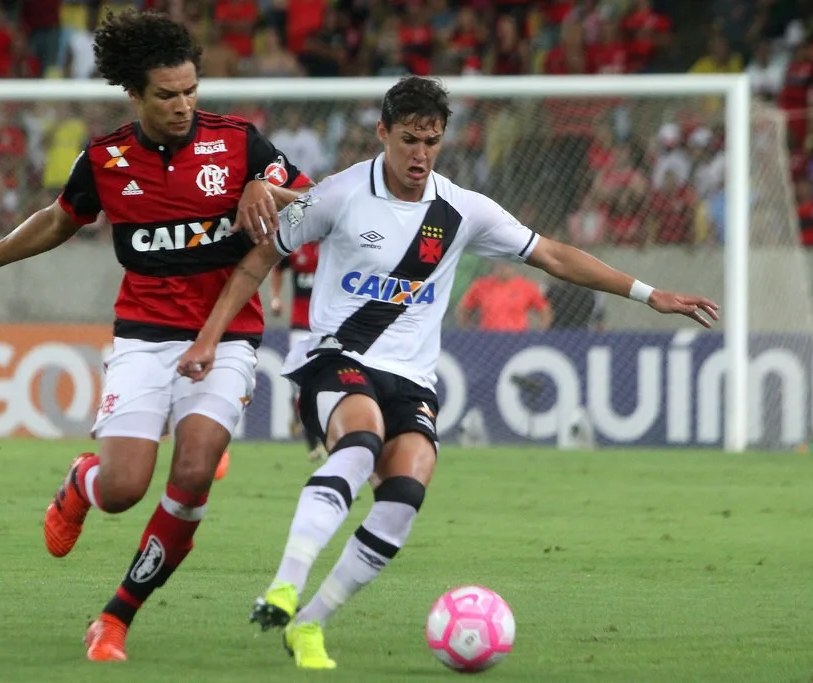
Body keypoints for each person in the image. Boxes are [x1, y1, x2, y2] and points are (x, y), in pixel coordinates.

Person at [176, 76, 718, 670]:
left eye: (432, 141)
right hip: (338, 360)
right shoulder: (339, 194)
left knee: (405, 494)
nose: (420, 154)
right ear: (383, 133)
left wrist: (648, 293)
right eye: (408, 139)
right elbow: (258, 260)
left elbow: (555, 255)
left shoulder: (461, 209)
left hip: (410, 379)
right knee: (360, 444)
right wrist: (208, 338)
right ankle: (284, 586)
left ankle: (310, 624)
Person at [0, 9, 311, 662]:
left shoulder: (240, 144)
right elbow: (54, 221)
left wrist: (268, 187)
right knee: (124, 488)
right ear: (135, 93)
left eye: (190, 90)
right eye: (166, 94)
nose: (182, 105)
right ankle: (81, 484)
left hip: (228, 339)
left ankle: (115, 617)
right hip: (144, 338)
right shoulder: (106, 159)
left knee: (193, 470)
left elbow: (316, 198)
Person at [269, 241, 328, 461]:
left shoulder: (335, 244)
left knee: (324, 381)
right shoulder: (297, 249)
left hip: (328, 326)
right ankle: (313, 443)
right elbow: (278, 268)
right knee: (302, 383)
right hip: (300, 326)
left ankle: (305, 421)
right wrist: (275, 298)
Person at [455, 261, 551, 331]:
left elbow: (545, 311)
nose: (502, 268)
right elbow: (463, 309)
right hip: (488, 336)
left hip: (517, 336)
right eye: (499, 265)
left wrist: (539, 334)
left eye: (506, 265)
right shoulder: (481, 285)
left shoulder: (526, 286)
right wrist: (468, 330)